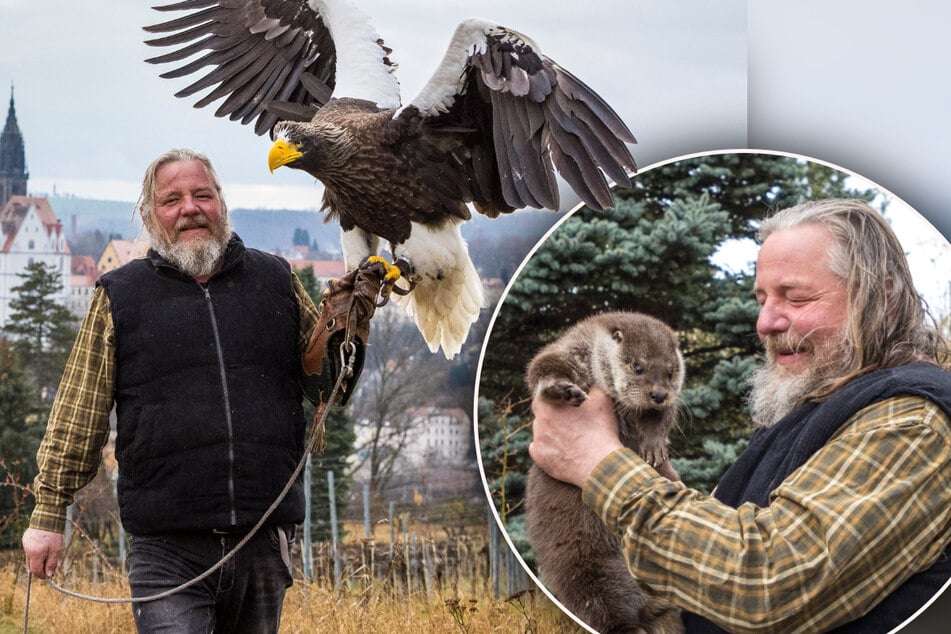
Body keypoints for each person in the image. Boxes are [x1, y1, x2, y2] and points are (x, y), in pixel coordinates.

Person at [529, 199, 951, 633]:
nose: (765, 321)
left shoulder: (912, 421)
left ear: (880, 298)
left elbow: (766, 582)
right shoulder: (822, 408)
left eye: (797, 297)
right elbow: (721, 547)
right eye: (762, 298)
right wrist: (658, 487)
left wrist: (596, 462)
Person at [21, 148, 391, 633]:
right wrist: (49, 513)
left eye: (202, 194)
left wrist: (347, 335)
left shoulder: (275, 280)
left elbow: (328, 389)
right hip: (166, 547)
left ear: (221, 202)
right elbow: (78, 413)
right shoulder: (120, 295)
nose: (190, 208)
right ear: (149, 216)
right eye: (171, 199)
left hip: (261, 539)